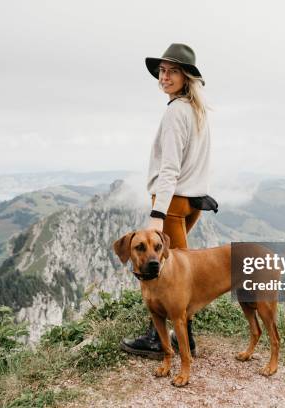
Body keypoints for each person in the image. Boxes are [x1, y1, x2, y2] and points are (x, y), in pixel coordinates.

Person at [119, 43, 216, 359]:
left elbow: (171, 167)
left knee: (168, 276)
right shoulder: (194, 109)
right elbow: (198, 162)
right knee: (177, 272)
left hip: (171, 203)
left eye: (172, 71)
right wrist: (197, 193)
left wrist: (157, 213)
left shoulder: (176, 112)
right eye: (161, 71)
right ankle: (179, 337)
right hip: (189, 201)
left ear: (186, 76)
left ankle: (162, 340)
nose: (164, 76)